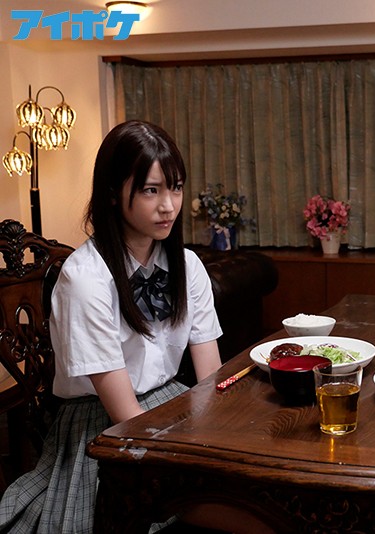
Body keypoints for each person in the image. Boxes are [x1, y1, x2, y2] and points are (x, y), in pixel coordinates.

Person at [0, 120, 223, 532]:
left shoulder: (187, 265)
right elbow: (127, 417)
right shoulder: (85, 278)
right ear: (112, 193)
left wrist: (220, 440)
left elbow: (211, 380)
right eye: (151, 190)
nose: (168, 206)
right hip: (104, 424)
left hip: (174, 403)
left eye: (175, 188)